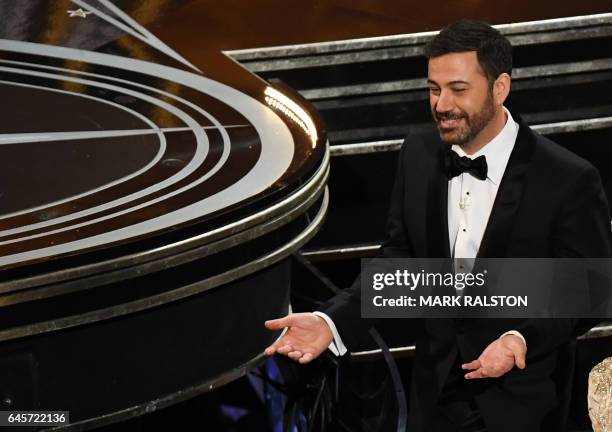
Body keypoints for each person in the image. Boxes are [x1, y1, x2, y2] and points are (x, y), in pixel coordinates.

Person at [265, 19, 612, 432]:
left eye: (458, 90)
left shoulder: (567, 178)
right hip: (433, 400)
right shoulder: (418, 154)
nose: (441, 104)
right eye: (434, 89)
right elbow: (401, 259)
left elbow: (589, 291)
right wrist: (333, 321)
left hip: (526, 408)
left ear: (500, 88)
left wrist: (521, 338)